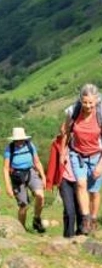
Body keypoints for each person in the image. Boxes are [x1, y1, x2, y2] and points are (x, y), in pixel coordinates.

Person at [61, 83, 102, 234]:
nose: (88, 106)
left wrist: (100, 166)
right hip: (77, 154)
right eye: (85, 102)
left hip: (97, 155)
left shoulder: (100, 114)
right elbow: (65, 130)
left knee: (94, 191)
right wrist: (62, 152)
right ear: (80, 100)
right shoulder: (74, 111)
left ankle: (93, 218)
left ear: (96, 100)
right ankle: (85, 218)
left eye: (91, 102)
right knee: (80, 184)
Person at [3, 127, 46, 232]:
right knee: (24, 205)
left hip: (30, 172)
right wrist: (8, 186)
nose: (20, 142)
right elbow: (5, 168)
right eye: (17, 140)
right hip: (17, 176)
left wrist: (43, 176)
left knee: (40, 195)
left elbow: (37, 162)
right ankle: (21, 229)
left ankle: (36, 218)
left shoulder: (30, 145)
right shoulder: (10, 149)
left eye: (21, 139)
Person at [46, 128, 83, 237]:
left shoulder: (81, 141)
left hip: (80, 180)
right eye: (62, 130)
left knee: (80, 208)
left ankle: (81, 233)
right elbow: (52, 164)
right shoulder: (56, 144)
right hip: (64, 180)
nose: (64, 132)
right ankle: (68, 236)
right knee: (69, 210)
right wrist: (49, 183)